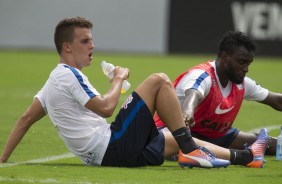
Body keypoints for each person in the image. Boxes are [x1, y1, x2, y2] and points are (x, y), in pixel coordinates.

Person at [0, 17, 265, 169]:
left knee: (170, 137)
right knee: (159, 80)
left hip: (107, 154)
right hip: (110, 147)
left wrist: (2, 160)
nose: (92, 45)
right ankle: (190, 150)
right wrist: (117, 79)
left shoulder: (53, 81)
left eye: (92, 39)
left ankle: (245, 157)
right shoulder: (66, 75)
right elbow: (106, 108)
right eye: (85, 41)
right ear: (67, 47)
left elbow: (25, 119)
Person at [154, 30, 280, 165]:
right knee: (181, 145)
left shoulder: (242, 83)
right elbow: (193, 94)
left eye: (248, 63)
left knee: (273, 145)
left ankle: (205, 151)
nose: (246, 69)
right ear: (224, 56)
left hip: (213, 135)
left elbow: (277, 101)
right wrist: (188, 111)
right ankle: (234, 155)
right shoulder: (202, 75)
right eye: (241, 62)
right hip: (175, 133)